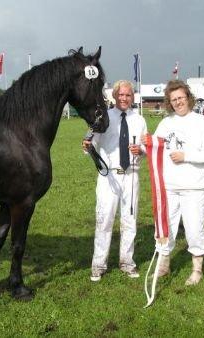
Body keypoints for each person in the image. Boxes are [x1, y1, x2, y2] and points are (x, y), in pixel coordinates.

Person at [142, 80, 204, 286]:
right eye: (173, 99)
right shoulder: (166, 123)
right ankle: (164, 266)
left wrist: (186, 156)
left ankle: (197, 269)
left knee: (194, 228)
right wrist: (144, 146)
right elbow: (155, 146)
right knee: (166, 227)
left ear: (188, 98)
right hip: (169, 187)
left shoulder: (203, 122)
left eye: (181, 98)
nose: (178, 102)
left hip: (195, 187)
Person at [83, 80, 148, 281]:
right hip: (108, 175)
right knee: (104, 219)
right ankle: (99, 265)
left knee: (130, 220)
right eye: (121, 95)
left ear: (133, 97)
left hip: (131, 175)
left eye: (128, 95)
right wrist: (86, 145)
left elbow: (146, 147)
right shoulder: (103, 118)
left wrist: (142, 150)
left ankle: (127, 262)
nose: (124, 98)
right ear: (115, 96)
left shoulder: (139, 120)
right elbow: (89, 144)